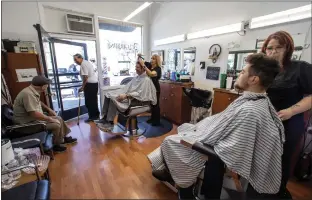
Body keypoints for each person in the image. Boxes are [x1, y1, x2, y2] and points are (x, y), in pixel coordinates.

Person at [148, 53, 284, 197]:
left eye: (243, 72)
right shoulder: (259, 102)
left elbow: (231, 152)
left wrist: (202, 133)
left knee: (170, 141)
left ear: (254, 79)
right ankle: (169, 169)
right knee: (186, 127)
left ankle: (185, 189)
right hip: (213, 136)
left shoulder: (250, 111)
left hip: (212, 153)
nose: (239, 74)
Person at [262, 31, 312, 198]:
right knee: (262, 157)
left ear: (288, 49)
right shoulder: (264, 71)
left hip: (289, 122)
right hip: (264, 121)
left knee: (281, 160)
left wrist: (292, 111)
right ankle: (259, 188)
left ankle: (278, 191)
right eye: (269, 48)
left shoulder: (300, 68)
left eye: (279, 47)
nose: (273, 52)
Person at [13, 75, 77, 153]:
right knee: (56, 124)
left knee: (58, 118)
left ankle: (63, 138)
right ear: (43, 86)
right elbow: (34, 114)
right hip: (27, 125)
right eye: (47, 85)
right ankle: (56, 146)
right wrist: (50, 119)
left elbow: (38, 102)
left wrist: (48, 109)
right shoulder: (28, 94)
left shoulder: (31, 91)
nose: (47, 87)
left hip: (34, 121)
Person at [96, 62, 157, 131]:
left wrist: (126, 96)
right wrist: (118, 93)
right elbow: (127, 88)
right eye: (135, 67)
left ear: (143, 69)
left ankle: (109, 122)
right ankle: (104, 118)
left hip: (140, 102)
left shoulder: (146, 80)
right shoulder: (137, 78)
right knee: (109, 95)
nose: (135, 69)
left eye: (137, 67)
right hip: (133, 98)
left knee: (113, 99)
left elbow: (141, 94)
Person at [74, 54, 100, 123]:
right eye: (74, 60)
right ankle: (95, 116)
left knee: (89, 102)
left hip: (90, 85)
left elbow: (85, 77)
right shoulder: (86, 62)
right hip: (93, 84)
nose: (75, 61)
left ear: (80, 58)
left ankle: (92, 117)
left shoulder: (83, 64)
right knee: (93, 101)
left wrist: (82, 87)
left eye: (76, 59)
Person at [138, 54, 162, 126]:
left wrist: (144, 65)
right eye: (151, 58)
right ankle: (152, 118)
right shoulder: (149, 65)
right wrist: (139, 57)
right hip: (149, 88)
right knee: (151, 104)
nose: (151, 60)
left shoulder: (158, 69)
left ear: (157, 61)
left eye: (153, 59)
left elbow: (151, 74)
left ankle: (157, 121)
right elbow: (140, 62)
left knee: (156, 105)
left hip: (155, 89)